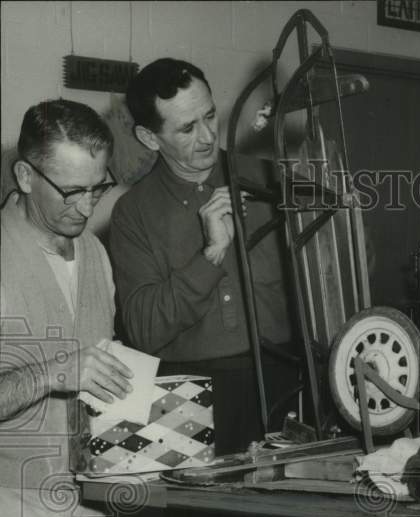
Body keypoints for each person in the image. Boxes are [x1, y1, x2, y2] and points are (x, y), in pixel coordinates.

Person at [109, 58, 294, 455]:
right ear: (149, 137)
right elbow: (143, 330)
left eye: (210, 116)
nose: (209, 136)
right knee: (204, 516)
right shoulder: (132, 214)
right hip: (182, 394)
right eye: (187, 128)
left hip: (284, 383)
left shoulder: (271, 181)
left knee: (291, 513)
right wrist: (211, 255)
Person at [0, 99, 133, 517]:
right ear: (26, 176)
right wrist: (56, 371)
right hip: (12, 513)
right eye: (70, 191)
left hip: (87, 505)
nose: (85, 206)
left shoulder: (96, 255)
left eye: (97, 187)